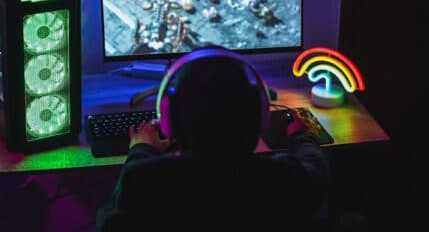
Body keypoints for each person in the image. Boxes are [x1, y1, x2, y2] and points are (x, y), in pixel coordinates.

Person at [95, 48, 331, 232]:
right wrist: (304, 136)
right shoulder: (284, 177)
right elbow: (315, 171)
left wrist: (140, 150)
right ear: (260, 115)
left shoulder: (144, 180)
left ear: (168, 119)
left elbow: (109, 222)